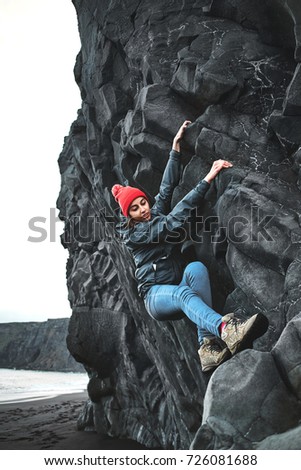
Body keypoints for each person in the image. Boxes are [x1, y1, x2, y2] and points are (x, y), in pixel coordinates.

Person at [111, 121, 268, 372]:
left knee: (196, 268)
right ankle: (226, 330)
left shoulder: (151, 214)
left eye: (142, 202)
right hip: (155, 296)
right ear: (128, 215)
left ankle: (207, 347)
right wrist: (208, 177)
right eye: (135, 208)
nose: (143, 209)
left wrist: (175, 149)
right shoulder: (136, 232)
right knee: (184, 295)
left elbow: (165, 189)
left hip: (176, 288)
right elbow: (173, 221)